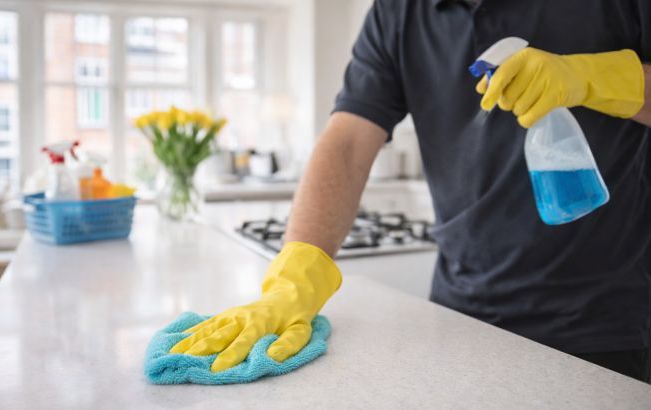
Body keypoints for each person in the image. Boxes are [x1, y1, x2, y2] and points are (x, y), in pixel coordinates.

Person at [170, 0, 651, 382]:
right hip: (457, 317)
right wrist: (296, 274)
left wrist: (592, 78)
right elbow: (347, 142)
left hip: (603, 326)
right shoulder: (398, 12)